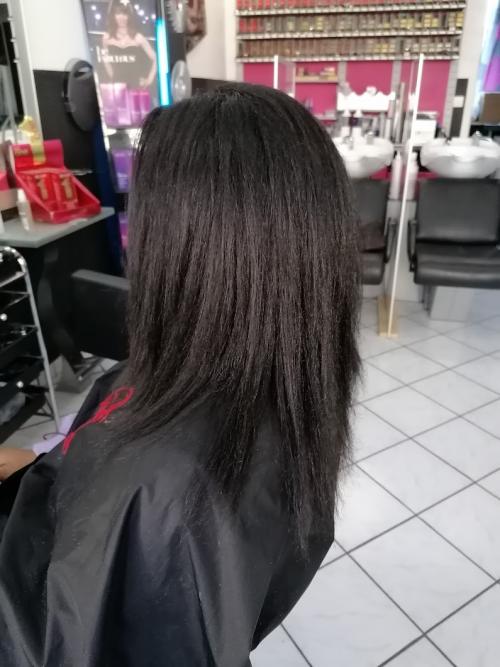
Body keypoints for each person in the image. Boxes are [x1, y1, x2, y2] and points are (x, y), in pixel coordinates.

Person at [0, 83, 360, 666]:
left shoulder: (169, 485)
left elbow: (55, 639)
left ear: (183, 242)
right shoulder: (290, 387)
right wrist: (39, 471)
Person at [102, 0, 157, 89]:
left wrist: (149, 80)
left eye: (125, 14)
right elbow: (105, 59)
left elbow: (156, 59)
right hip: (117, 86)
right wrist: (113, 76)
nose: (122, 17)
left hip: (136, 86)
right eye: (118, 13)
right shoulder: (107, 37)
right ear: (113, 16)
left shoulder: (138, 37)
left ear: (129, 16)